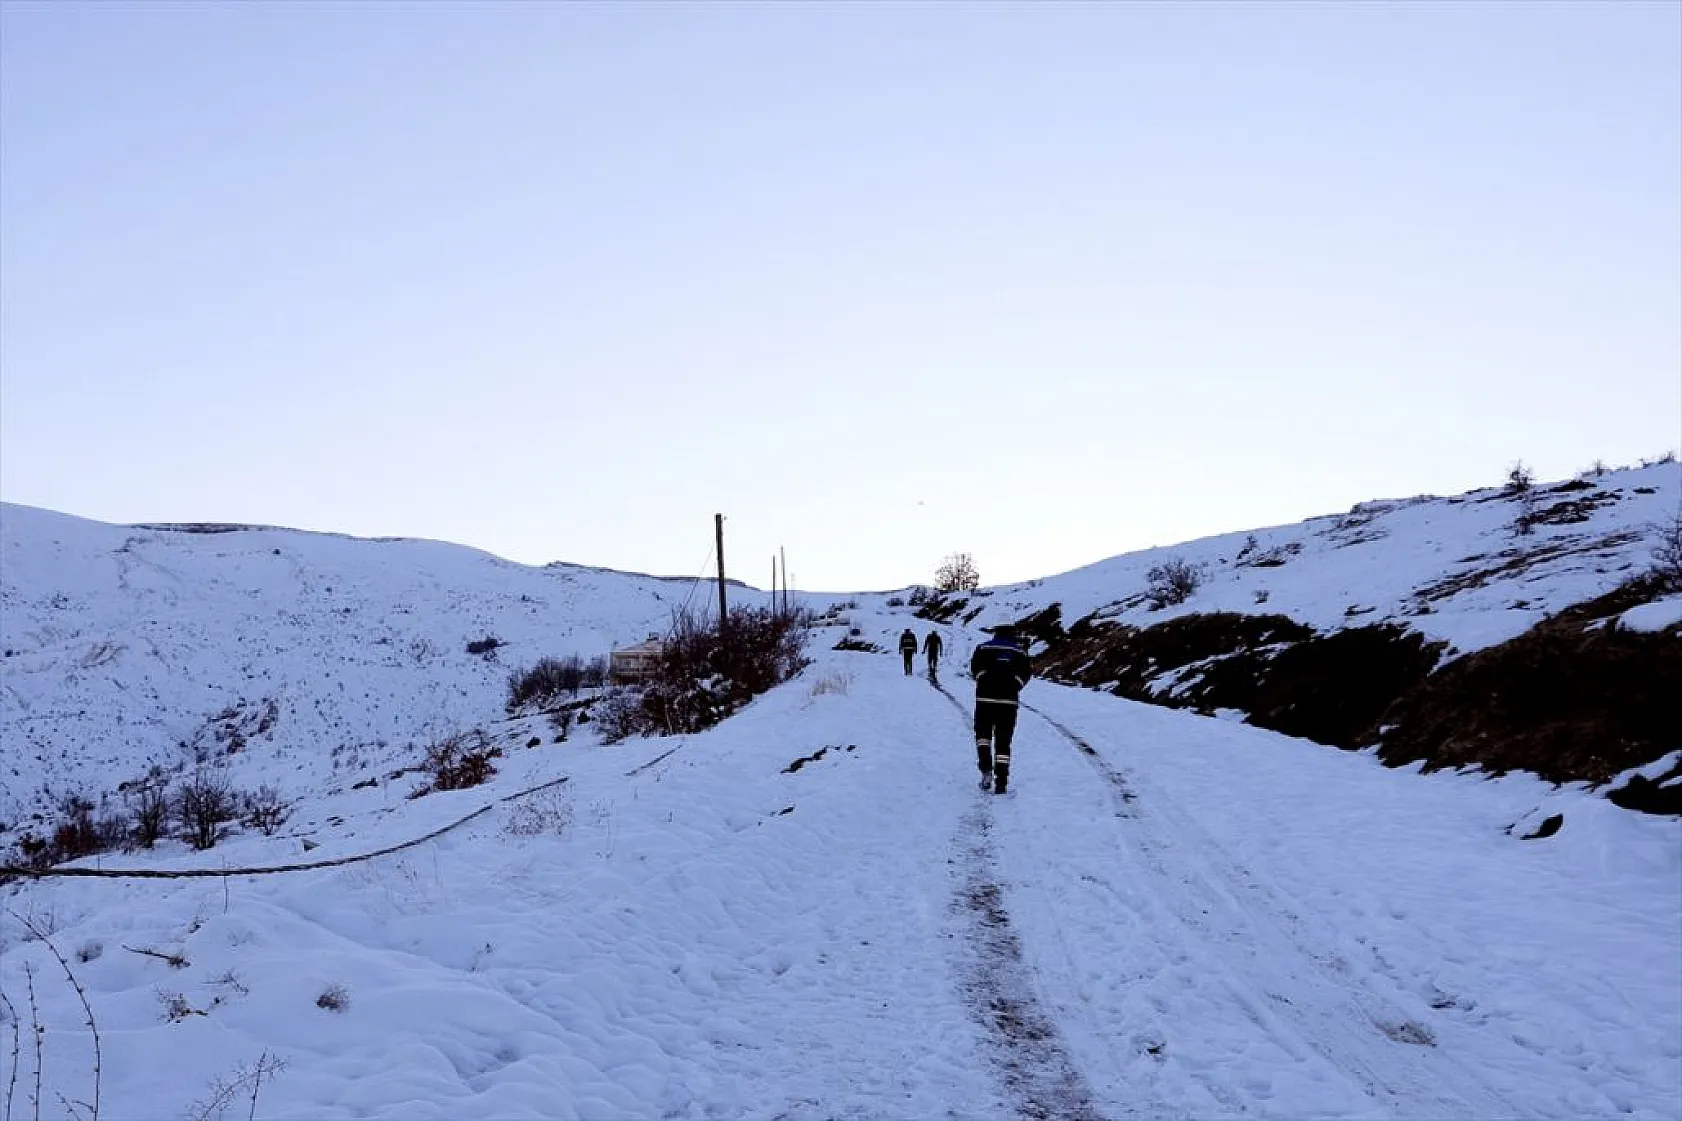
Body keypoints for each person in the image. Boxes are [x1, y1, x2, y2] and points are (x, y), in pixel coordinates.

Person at [970, 624, 1031, 794]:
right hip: (1008, 702)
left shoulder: (982, 648)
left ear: (996, 631)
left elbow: (975, 669)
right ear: (1012, 632)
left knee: (983, 737)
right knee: (1004, 741)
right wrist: (1015, 685)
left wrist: (983, 680)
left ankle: (986, 770)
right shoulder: (1020, 652)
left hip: (985, 700)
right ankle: (1002, 782)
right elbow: (1026, 673)